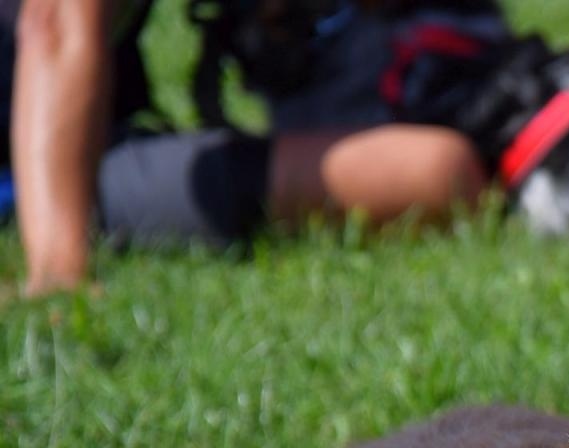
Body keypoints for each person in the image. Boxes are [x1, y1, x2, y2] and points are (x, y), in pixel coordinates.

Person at [2, 0, 495, 297]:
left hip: (105, 126)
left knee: (440, 171)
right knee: (436, 173)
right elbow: (53, 25)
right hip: (41, 163)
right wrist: (58, 269)